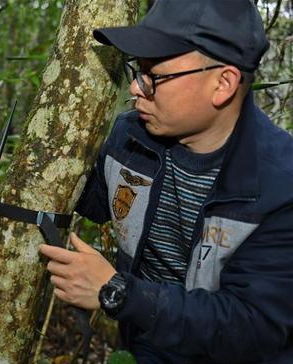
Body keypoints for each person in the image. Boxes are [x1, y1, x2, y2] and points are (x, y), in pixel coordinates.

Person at [39, 1, 293, 363]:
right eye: (137, 70)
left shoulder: (280, 185)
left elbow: (252, 326)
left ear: (222, 83)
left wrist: (118, 292)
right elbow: (95, 200)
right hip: (146, 344)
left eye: (154, 76)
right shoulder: (132, 137)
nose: (136, 88)